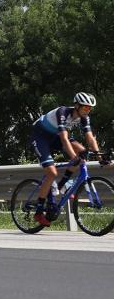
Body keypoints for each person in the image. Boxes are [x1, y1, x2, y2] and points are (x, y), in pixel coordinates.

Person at [30, 92, 107, 226]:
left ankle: (61, 186)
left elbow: (90, 138)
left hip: (55, 137)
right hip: (40, 136)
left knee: (82, 152)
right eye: (85, 107)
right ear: (76, 105)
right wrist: (73, 157)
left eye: (89, 108)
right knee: (52, 172)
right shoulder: (63, 112)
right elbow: (64, 139)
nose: (87, 110)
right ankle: (39, 211)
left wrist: (100, 157)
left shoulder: (84, 118)